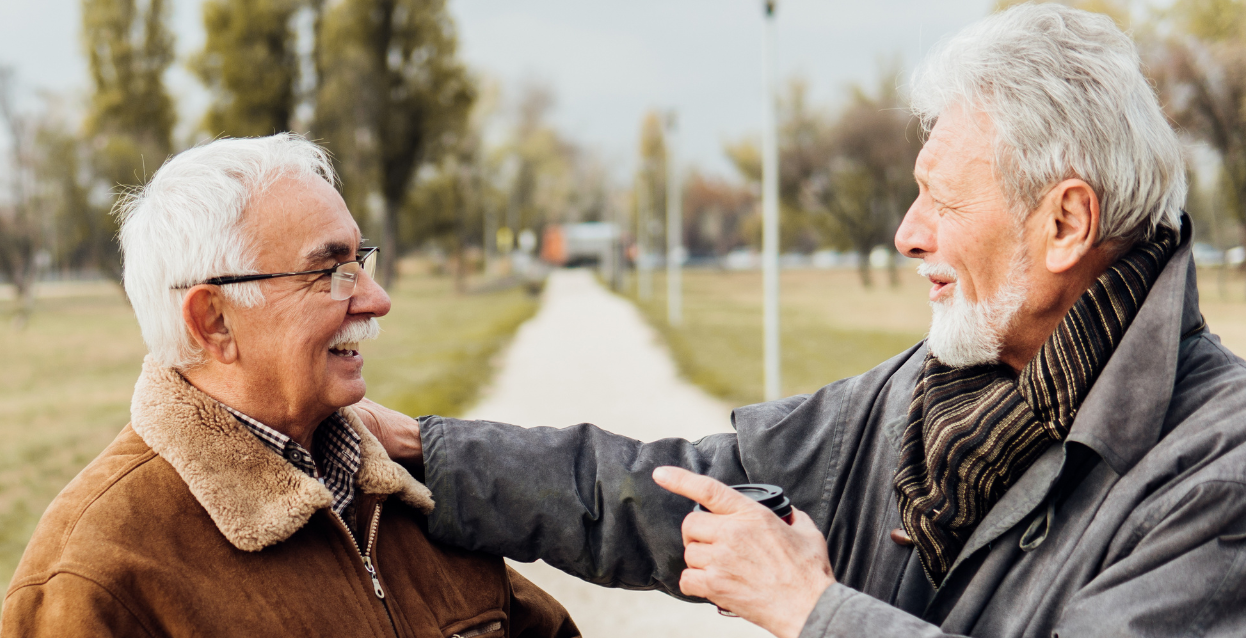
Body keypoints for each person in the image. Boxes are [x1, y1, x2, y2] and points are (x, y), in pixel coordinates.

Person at [359, 5, 1246, 637]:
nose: (907, 233)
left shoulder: (1218, 470)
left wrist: (812, 611)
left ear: (1065, 224)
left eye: (941, 199)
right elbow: (676, 491)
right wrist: (434, 455)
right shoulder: (931, 390)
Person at [0, 133, 576, 638]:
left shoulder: (405, 494)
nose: (376, 301)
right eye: (330, 271)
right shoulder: (93, 574)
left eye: (360, 261)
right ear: (214, 321)